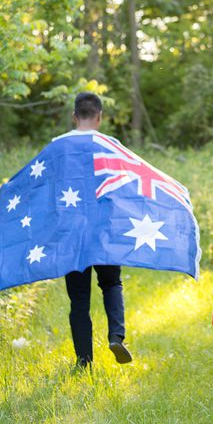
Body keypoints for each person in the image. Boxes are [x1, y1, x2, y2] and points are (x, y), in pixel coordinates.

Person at [64, 92, 132, 367]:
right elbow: (126, 185)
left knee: (79, 298)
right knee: (111, 283)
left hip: (73, 232)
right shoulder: (111, 146)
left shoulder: (59, 147)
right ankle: (116, 335)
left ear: (74, 116)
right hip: (105, 229)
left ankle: (84, 361)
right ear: (100, 117)